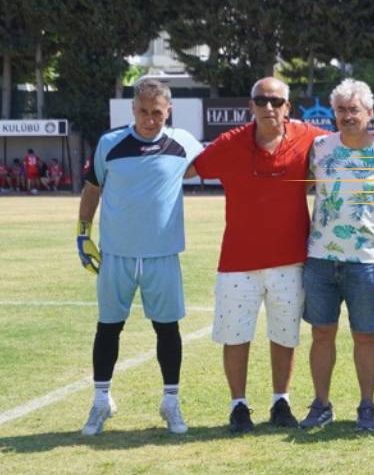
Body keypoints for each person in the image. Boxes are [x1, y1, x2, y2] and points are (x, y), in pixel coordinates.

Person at [191, 77, 330, 433]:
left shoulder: (311, 138)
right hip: (238, 262)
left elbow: (349, 146)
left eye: (276, 101)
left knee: (285, 334)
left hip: (291, 259)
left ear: (288, 107)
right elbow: (186, 169)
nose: (269, 107)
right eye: (261, 100)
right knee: (235, 335)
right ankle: (238, 406)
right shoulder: (228, 144)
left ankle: (280, 401)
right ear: (250, 106)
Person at [76, 78, 204, 435]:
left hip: (162, 255)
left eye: (157, 113)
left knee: (167, 329)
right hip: (115, 254)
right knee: (108, 327)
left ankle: (171, 403)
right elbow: (92, 189)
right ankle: (101, 401)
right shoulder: (110, 144)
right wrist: (83, 233)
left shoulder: (183, 144)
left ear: (169, 111)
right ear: (133, 109)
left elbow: (202, 167)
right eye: (144, 112)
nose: (150, 119)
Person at [299, 79, 374, 432]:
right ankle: (321, 404)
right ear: (334, 112)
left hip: (366, 261)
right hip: (319, 259)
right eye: (341, 110)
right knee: (321, 333)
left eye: (354, 110)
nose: (348, 116)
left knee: (365, 335)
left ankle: (366, 406)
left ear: (369, 112)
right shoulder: (318, 147)